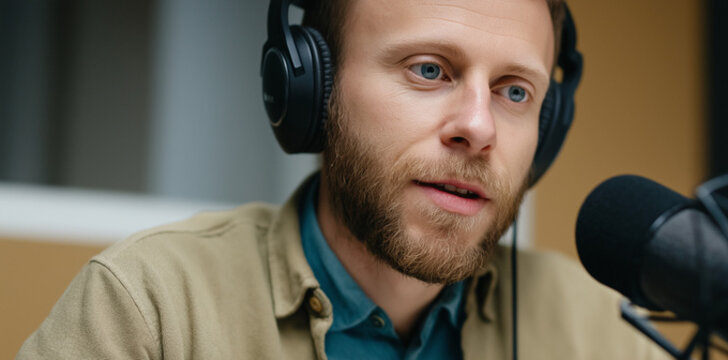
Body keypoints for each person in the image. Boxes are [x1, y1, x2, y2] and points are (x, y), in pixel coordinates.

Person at [17, 0, 670, 359]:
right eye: (428, 70)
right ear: (310, 91)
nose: (479, 127)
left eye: (515, 92)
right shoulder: (150, 307)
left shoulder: (603, 335)